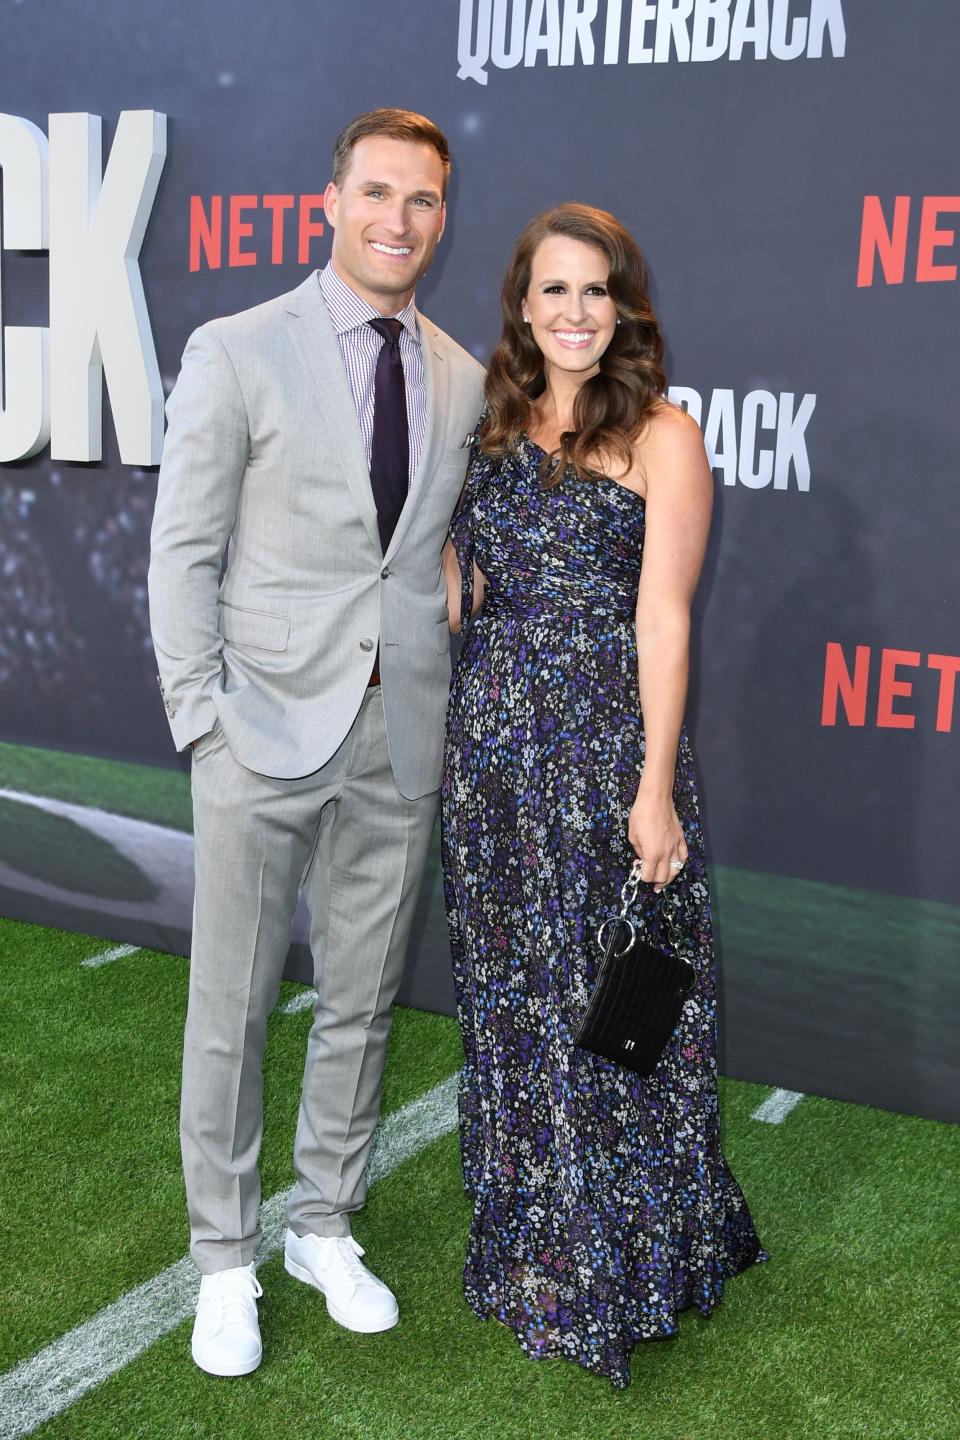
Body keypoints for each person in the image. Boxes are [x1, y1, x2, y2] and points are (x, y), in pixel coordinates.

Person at [148, 108, 484, 1377]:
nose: (400, 220)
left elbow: (423, 545)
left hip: (399, 736)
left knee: (358, 1002)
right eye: (380, 192)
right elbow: (183, 550)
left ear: (443, 219)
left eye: (425, 200)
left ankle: (322, 1225)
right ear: (329, 201)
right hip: (259, 732)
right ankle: (225, 1256)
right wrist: (201, 722)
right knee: (229, 1007)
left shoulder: (457, 372)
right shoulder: (237, 348)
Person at [440, 203, 764, 1389]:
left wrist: (653, 789)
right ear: (522, 306)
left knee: (616, 1011)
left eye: (597, 291)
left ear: (625, 306)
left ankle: (629, 1254)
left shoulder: (664, 436)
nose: (575, 313)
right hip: (491, 766)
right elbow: (458, 586)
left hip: (607, 758)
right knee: (512, 1002)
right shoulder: (488, 427)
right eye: (553, 291)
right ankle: (536, 1246)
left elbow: (663, 619)